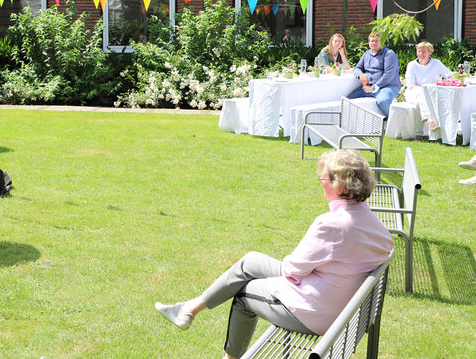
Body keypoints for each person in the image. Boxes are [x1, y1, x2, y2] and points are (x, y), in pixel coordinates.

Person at [154, 150, 392, 359]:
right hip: (345, 310)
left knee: (243, 294)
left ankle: (224, 351)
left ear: (339, 186)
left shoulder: (333, 225)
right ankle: (188, 309)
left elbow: (292, 270)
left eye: (323, 178)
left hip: (317, 314)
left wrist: (295, 271)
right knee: (251, 261)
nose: (320, 182)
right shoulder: (376, 227)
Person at [347, 32, 401, 117]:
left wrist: (373, 87)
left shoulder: (389, 54)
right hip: (369, 87)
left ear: (381, 42)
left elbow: (389, 75)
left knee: (383, 101)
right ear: (368, 43)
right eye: (372, 41)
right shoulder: (367, 54)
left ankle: (394, 123)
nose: (373, 43)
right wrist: (360, 75)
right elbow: (357, 68)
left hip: (388, 87)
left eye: (376, 41)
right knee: (347, 100)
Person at [404, 41, 452, 132]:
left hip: (432, 93)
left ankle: (419, 134)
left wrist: (443, 82)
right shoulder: (411, 65)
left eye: (424, 51)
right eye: (419, 51)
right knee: (422, 95)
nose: (421, 54)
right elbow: (411, 86)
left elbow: (449, 76)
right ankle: (430, 120)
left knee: (419, 104)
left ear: (430, 52)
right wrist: (425, 90)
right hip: (414, 93)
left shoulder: (436, 63)